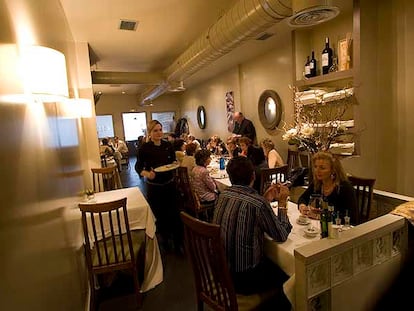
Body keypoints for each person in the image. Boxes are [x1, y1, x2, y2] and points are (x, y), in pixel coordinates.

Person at [213, 156, 292, 310]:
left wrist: (265, 199)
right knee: (288, 272)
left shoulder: (223, 195)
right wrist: (282, 203)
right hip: (245, 280)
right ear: (253, 176)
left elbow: (246, 212)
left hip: (222, 271)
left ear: (230, 176)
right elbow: (281, 235)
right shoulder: (257, 203)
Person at [135, 120, 182, 251]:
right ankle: (164, 242)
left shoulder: (168, 145)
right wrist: (147, 174)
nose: (159, 132)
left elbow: (173, 161)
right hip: (155, 187)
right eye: (155, 130)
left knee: (174, 214)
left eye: (160, 129)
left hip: (170, 185)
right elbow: (138, 167)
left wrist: (176, 164)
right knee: (160, 216)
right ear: (149, 132)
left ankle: (178, 243)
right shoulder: (144, 148)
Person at [298, 151, 357, 225]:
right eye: (316, 167)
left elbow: (350, 217)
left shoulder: (345, 188)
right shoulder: (318, 183)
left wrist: (319, 216)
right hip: (321, 225)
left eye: (322, 168)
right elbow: (303, 198)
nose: (317, 171)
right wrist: (302, 206)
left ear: (333, 170)